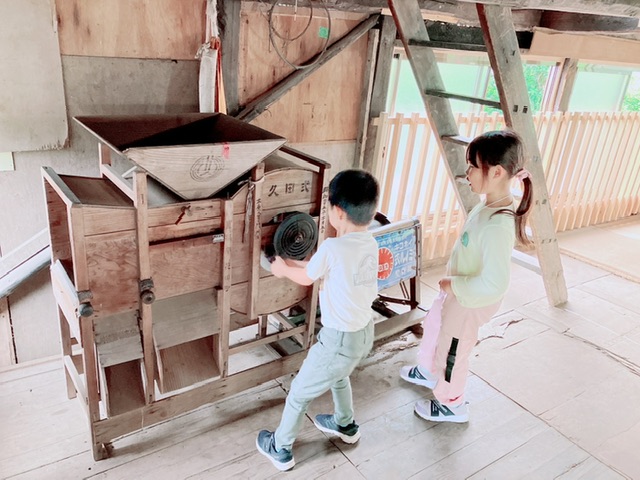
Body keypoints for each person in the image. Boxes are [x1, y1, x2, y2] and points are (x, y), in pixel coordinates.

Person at [400, 129, 532, 423]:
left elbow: (495, 284)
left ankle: (452, 404)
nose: (467, 173)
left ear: (496, 172)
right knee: (435, 326)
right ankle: (427, 370)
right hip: (459, 293)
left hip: (469, 300)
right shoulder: (490, 203)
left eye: (473, 166)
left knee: (452, 351)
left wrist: (454, 284)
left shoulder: (498, 225)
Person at [256, 169, 380, 471]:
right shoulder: (369, 243)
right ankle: (345, 425)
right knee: (340, 375)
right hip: (364, 332)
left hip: (337, 341)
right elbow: (321, 267)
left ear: (338, 213)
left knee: (299, 393)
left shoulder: (332, 247)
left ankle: (280, 448)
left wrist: (282, 269)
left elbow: (308, 277)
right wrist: (290, 262)